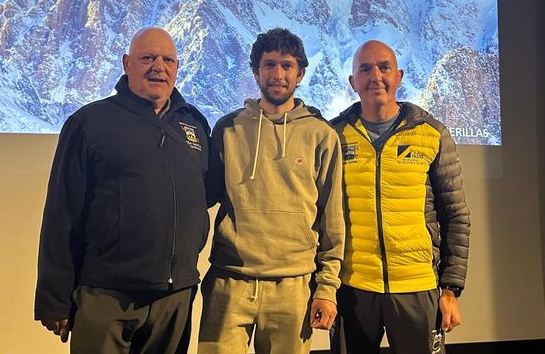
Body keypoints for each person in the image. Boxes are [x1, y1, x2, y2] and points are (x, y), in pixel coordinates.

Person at [34, 27, 211, 354]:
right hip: (107, 297)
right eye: (147, 58)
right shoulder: (90, 122)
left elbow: (203, 194)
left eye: (168, 59)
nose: (159, 66)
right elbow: (62, 213)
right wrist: (54, 300)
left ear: (177, 67)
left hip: (175, 298)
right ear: (127, 64)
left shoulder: (195, 125)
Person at [198, 28, 344, 354]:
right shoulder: (228, 128)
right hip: (229, 281)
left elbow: (332, 220)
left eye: (287, 65)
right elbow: (202, 197)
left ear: (300, 73)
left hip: (293, 287)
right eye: (269, 64)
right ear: (256, 71)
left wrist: (327, 288)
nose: (278, 74)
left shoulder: (321, 135)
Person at [330, 40, 470, 354]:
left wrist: (449, 290)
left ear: (399, 76)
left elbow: (456, 215)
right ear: (353, 82)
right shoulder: (334, 135)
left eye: (384, 67)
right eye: (364, 69)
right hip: (354, 287)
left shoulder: (431, 133)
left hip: (417, 286)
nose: (375, 76)